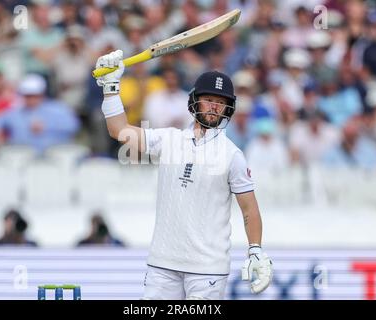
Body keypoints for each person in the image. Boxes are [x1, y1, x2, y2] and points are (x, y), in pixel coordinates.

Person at [95, 50, 273, 300]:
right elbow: (119, 131)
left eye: (220, 102)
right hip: (162, 264)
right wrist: (111, 88)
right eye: (208, 99)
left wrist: (256, 250)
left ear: (228, 108)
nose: (214, 106)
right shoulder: (169, 139)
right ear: (194, 101)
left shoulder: (232, 155)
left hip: (207, 269)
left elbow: (249, 209)